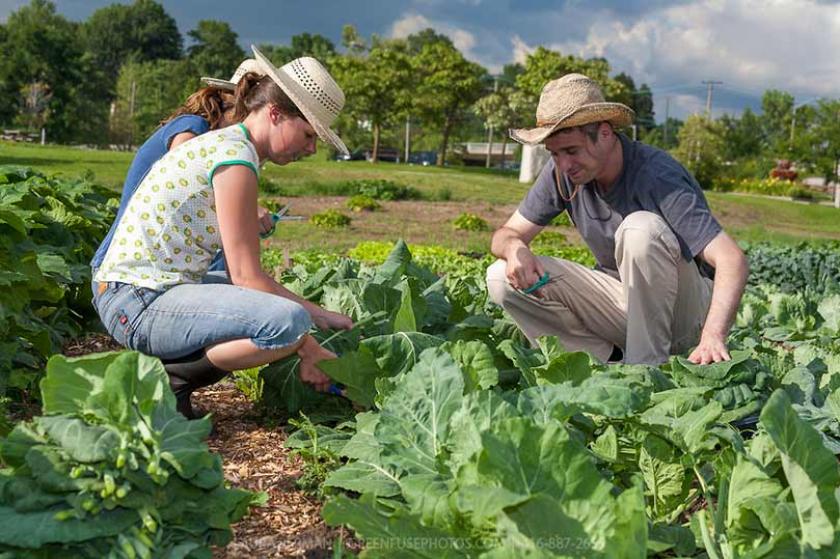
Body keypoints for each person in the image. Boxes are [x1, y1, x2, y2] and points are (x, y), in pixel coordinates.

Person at [92, 47, 353, 418]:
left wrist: (309, 321)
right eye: (309, 134)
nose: (311, 148)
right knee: (288, 322)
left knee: (277, 311)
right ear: (276, 114)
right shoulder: (236, 159)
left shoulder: (228, 146)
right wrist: (313, 326)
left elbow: (238, 278)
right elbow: (248, 278)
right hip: (137, 301)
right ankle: (171, 383)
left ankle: (167, 380)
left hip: (129, 290)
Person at [486, 73, 748, 366]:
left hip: (686, 319)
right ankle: (604, 362)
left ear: (605, 133)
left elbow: (732, 259)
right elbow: (505, 233)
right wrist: (514, 248)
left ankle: (645, 369)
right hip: (630, 310)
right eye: (554, 153)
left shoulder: (657, 175)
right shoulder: (563, 173)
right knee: (500, 277)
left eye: (572, 151)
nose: (564, 164)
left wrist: (713, 335)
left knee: (640, 229)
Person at [90, 58, 271, 276]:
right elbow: (179, 181)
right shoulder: (193, 127)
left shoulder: (216, 143)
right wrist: (247, 210)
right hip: (130, 268)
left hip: (154, 265)